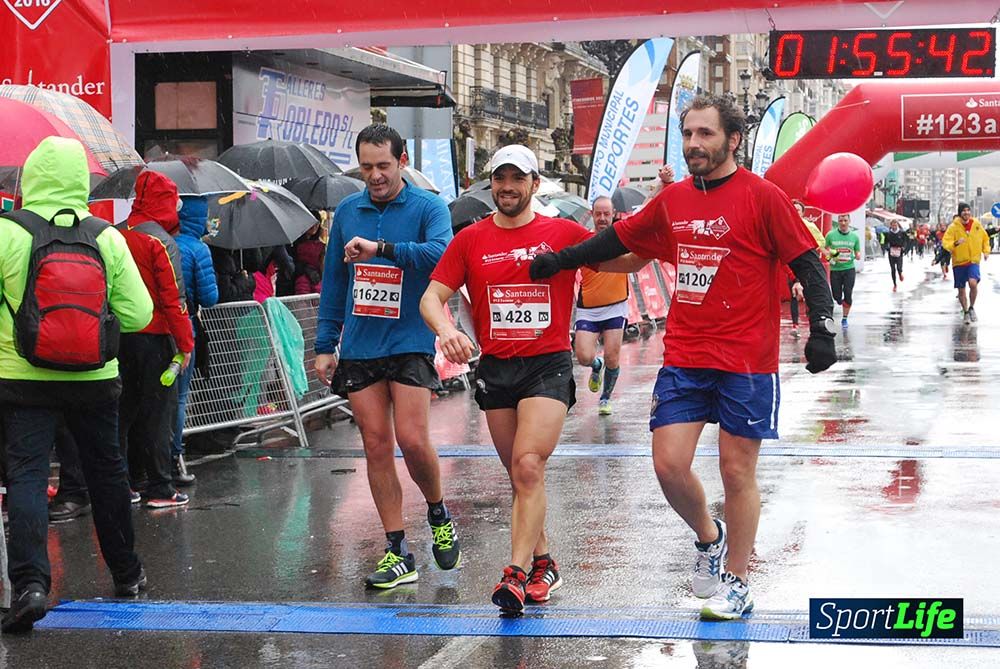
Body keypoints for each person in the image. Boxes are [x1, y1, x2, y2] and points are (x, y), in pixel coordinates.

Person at [529, 94, 837, 621]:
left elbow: (807, 261)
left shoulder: (763, 197)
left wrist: (823, 329)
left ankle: (737, 582)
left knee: (736, 472)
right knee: (669, 465)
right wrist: (562, 260)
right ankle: (708, 537)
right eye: (688, 134)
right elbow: (617, 240)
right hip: (687, 356)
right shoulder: (673, 201)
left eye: (706, 135)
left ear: (733, 140)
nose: (694, 144)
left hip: (746, 359)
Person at [421, 144, 592, 614]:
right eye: (501, 179)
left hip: (547, 365)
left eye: (518, 179)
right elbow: (432, 298)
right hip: (497, 369)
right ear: (491, 184)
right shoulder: (470, 239)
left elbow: (619, 258)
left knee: (528, 465)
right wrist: (448, 331)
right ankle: (544, 562)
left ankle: (514, 575)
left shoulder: (563, 233)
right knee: (520, 476)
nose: (508, 188)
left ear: (535, 185)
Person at [0, 137, 154, 633]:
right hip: (94, 379)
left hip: (21, 378)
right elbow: (139, 313)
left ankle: (30, 586)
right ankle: (127, 574)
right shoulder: (105, 237)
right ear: (79, 182)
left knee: (25, 476)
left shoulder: (6, 233)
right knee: (107, 473)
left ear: (31, 179)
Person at [314, 124, 460, 589]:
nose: (375, 176)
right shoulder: (348, 212)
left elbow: (441, 254)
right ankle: (397, 549)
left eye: (383, 165)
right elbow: (334, 284)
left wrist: (382, 249)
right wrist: (324, 344)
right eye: (367, 166)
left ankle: (437, 512)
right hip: (360, 345)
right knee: (376, 445)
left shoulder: (428, 206)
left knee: (413, 440)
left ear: (401, 162)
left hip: (411, 340)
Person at [116, 171, 194, 508]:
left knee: (124, 412)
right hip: (156, 337)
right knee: (158, 414)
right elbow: (173, 299)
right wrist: (186, 344)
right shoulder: (160, 241)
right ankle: (160, 487)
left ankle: (126, 481)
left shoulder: (115, 234)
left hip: (118, 338)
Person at [173, 195, 219, 485]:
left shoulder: (162, 241)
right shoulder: (197, 249)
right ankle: (173, 459)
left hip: (149, 331)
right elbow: (210, 298)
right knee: (178, 398)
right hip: (184, 328)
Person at [574, 196, 629, 415]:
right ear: (592, 215)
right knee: (584, 357)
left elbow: (646, 212)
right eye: (599, 214)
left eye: (607, 214)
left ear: (614, 213)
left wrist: (661, 185)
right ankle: (595, 367)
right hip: (588, 308)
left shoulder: (624, 238)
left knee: (612, 357)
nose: (603, 218)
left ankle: (605, 398)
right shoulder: (583, 240)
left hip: (616, 306)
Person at [943, 203, 990, 324]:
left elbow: (985, 238)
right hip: (959, 262)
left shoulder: (977, 225)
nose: (966, 213)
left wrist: (986, 251)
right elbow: (946, 242)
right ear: (960, 213)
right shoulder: (953, 227)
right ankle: (965, 312)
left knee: (973, 283)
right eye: (964, 211)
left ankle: (972, 307)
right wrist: (955, 243)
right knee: (961, 290)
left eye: (968, 211)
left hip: (973, 260)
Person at [787, 201, 825, 335]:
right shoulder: (786, 225)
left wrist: (808, 249)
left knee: (809, 295)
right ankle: (795, 325)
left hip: (806, 265)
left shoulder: (810, 226)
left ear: (803, 213)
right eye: (793, 209)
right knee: (793, 295)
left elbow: (821, 241)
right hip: (791, 265)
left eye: (798, 210)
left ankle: (812, 322)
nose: (795, 212)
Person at [824, 214, 861, 328]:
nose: (843, 223)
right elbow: (825, 249)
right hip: (835, 269)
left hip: (849, 268)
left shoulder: (854, 237)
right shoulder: (830, 235)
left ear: (849, 221)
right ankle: (840, 300)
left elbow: (857, 252)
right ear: (838, 222)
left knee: (848, 293)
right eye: (841, 220)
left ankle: (845, 318)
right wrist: (831, 255)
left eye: (845, 220)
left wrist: (858, 255)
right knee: (836, 295)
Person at [883, 220, 908, 292]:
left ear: (897, 225)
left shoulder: (902, 233)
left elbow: (905, 241)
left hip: (899, 252)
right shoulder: (888, 233)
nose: (894, 227)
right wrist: (887, 247)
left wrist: (903, 248)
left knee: (899, 268)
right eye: (893, 225)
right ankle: (894, 284)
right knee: (893, 269)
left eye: (895, 225)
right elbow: (885, 242)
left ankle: (900, 274)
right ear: (890, 225)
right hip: (891, 252)